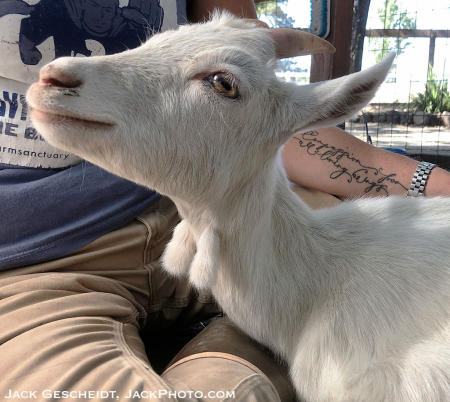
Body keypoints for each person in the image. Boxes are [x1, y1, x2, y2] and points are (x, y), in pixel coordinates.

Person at [0, 0, 449, 401]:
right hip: (44, 263)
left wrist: (431, 183)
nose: (59, 69)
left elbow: (256, 121)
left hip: (208, 229)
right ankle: (247, 357)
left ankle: (251, 352)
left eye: (221, 83)